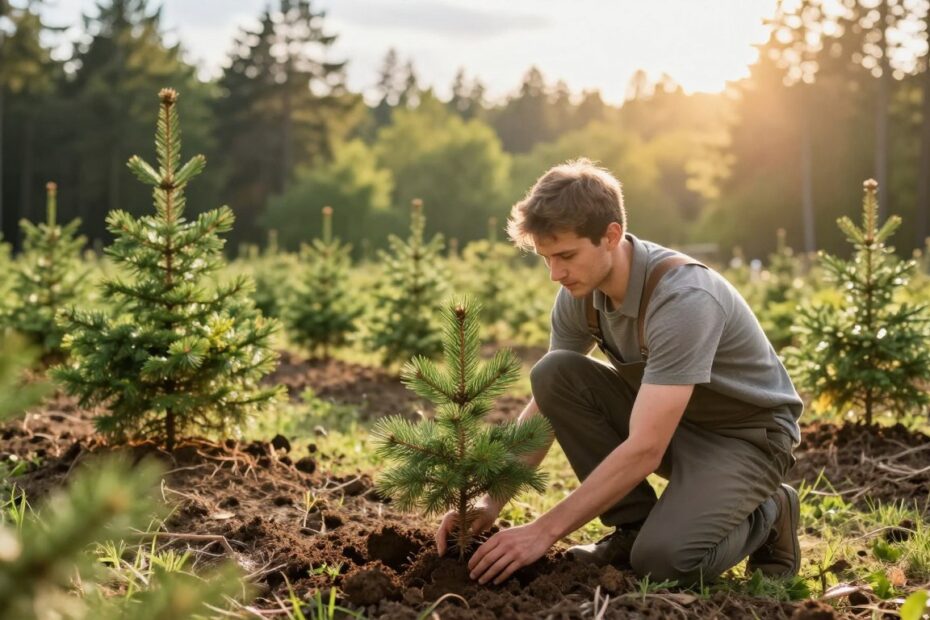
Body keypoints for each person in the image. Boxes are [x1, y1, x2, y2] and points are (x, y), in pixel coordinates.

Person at [435, 158, 802, 587]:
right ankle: (632, 527)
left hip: (747, 439)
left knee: (664, 562)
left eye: (566, 255)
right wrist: (490, 500)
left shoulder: (683, 299)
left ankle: (771, 510)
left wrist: (544, 531)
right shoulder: (580, 293)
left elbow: (646, 448)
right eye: (546, 258)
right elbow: (548, 404)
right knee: (556, 372)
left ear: (611, 235)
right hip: (672, 424)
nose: (555, 273)